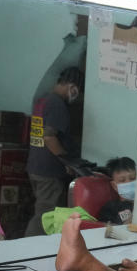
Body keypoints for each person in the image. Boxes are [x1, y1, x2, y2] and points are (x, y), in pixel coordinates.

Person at [25, 66, 85, 237]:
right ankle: (27, 250)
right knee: (45, 216)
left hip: (36, 166)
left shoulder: (42, 100)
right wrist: (66, 161)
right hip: (49, 171)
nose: (76, 96)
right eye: (77, 91)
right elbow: (50, 138)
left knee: (43, 211)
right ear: (72, 87)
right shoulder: (57, 105)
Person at [98, 156, 137, 224]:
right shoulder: (110, 208)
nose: (128, 183)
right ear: (114, 186)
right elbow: (105, 230)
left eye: (133, 178)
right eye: (122, 180)